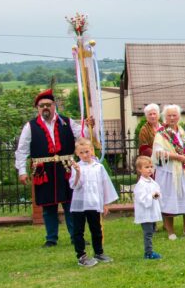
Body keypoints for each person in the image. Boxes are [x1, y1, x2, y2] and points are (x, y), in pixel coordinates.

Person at [15, 89, 88, 247]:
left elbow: (83, 136)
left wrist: (90, 127)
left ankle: (76, 237)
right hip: (44, 170)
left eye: (48, 104)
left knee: (70, 204)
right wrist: (22, 171)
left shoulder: (67, 122)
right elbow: (22, 150)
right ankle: (51, 239)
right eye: (42, 106)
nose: (45, 108)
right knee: (48, 207)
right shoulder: (30, 126)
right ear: (38, 108)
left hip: (66, 168)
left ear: (54, 105)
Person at [69, 138, 118, 267]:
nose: (85, 155)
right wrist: (78, 173)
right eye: (81, 153)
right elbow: (75, 186)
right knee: (78, 230)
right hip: (80, 203)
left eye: (87, 151)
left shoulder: (98, 167)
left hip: (93, 202)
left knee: (96, 228)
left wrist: (105, 203)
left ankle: (99, 252)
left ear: (91, 150)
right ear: (77, 154)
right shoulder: (76, 167)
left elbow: (105, 185)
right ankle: (81, 256)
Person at [153, 104, 185, 239]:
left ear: (179, 116)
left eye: (174, 115)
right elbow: (158, 152)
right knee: (169, 199)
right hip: (169, 171)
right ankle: (171, 232)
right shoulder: (161, 133)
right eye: (169, 115)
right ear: (164, 117)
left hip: (184, 170)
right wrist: (176, 157)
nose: (172, 118)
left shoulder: (182, 131)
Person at [133, 155, 163, 260]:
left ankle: (150, 251)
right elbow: (142, 199)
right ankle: (148, 253)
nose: (150, 169)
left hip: (152, 211)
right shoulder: (140, 184)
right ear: (139, 169)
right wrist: (152, 196)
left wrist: (157, 195)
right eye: (146, 167)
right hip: (145, 213)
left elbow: (158, 192)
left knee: (151, 231)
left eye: (151, 166)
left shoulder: (152, 182)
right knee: (148, 233)